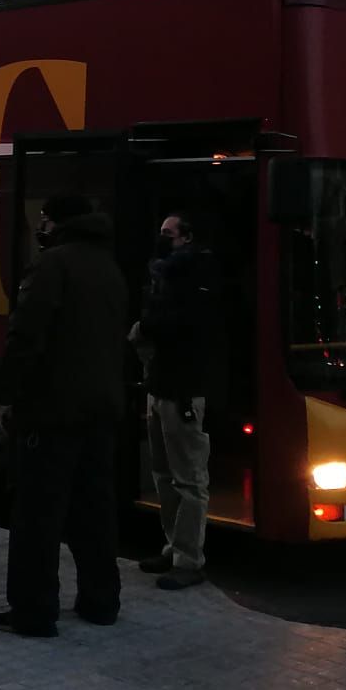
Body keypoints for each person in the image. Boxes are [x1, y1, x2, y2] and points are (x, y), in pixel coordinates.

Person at [0, 194, 127, 638]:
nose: (40, 226)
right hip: (101, 409)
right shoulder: (109, 266)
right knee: (94, 512)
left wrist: (8, 394)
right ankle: (101, 601)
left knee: (37, 516)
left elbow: (26, 336)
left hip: (51, 412)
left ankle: (33, 611)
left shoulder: (52, 266)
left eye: (44, 219)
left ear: (57, 223)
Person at [134, 211, 222, 590]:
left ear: (186, 238)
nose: (162, 238)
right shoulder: (165, 275)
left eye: (169, 233)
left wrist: (146, 328)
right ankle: (173, 546)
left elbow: (182, 325)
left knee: (188, 478)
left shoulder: (195, 277)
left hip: (182, 389)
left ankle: (189, 558)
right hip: (160, 386)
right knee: (164, 475)